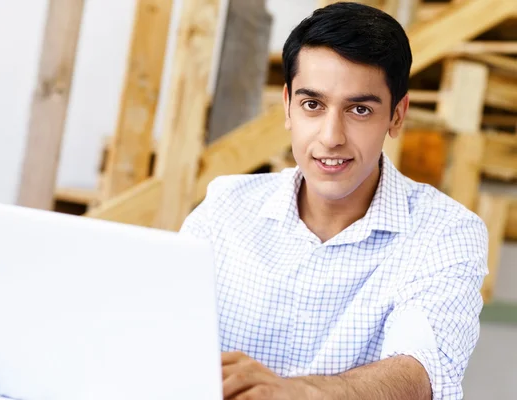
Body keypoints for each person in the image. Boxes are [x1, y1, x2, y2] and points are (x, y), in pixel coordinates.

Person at [180, 2, 488, 400]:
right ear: (288, 105)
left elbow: (419, 373)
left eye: (359, 109)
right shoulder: (225, 207)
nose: (331, 137)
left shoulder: (445, 233)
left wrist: (297, 393)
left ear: (397, 115)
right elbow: (163, 332)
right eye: (313, 105)